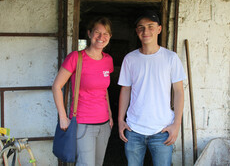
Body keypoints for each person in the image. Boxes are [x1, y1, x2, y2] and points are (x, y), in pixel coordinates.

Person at [118, 10, 186, 166]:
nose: (145, 31)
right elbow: (125, 90)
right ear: (136, 31)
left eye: (150, 26)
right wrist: (120, 120)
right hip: (133, 129)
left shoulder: (171, 58)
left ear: (159, 29)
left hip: (162, 130)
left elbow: (178, 92)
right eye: (141, 27)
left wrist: (176, 124)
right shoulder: (130, 59)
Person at [52, 17, 114, 166]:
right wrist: (62, 116)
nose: (101, 37)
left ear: (110, 37)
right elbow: (56, 86)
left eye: (105, 34)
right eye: (97, 32)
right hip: (83, 123)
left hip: (104, 124)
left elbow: (104, 90)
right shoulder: (76, 57)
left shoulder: (108, 60)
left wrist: (110, 115)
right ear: (89, 33)